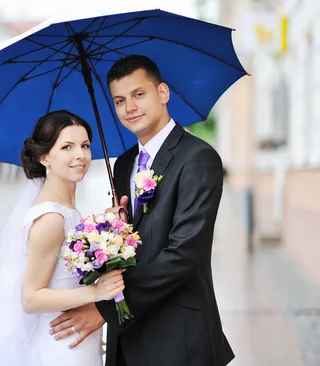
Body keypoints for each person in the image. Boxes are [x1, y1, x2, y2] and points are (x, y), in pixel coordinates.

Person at [48, 55, 234, 366]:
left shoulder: (198, 158)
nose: (129, 107)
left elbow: (185, 253)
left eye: (138, 95)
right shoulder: (123, 164)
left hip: (178, 336)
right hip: (129, 339)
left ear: (162, 94)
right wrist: (118, 229)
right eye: (120, 100)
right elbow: (138, 242)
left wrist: (105, 309)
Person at [0, 110, 125, 366]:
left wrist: (113, 229)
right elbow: (31, 298)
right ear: (45, 157)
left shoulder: (68, 211)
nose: (80, 155)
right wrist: (96, 292)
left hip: (75, 340)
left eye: (85, 145)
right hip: (59, 349)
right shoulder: (51, 218)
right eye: (67, 147)